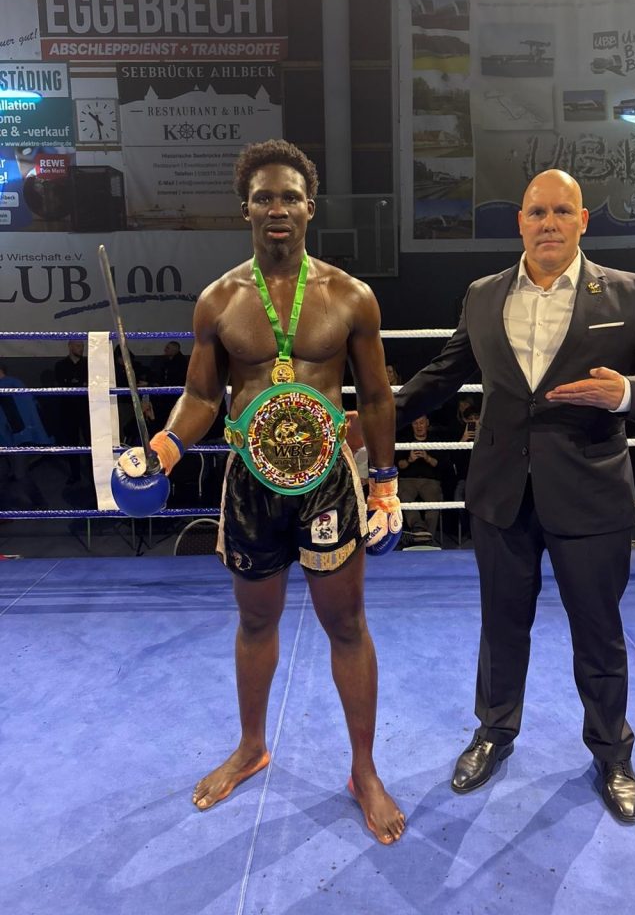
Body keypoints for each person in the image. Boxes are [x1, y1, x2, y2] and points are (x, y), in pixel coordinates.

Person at [111, 140, 405, 844]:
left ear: (310, 207)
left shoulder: (350, 295)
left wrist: (386, 486)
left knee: (346, 624)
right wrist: (163, 449)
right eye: (264, 197)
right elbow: (201, 397)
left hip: (328, 483)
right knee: (254, 622)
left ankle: (364, 770)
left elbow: (375, 397)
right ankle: (251, 747)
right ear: (245, 208)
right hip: (250, 486)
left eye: (290, 197)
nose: (278, 208)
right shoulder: (218, 300)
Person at [395, 168, 635, 824]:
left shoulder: (627, 292)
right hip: (501, 492)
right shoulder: (483, 294)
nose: (548, 223)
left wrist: (627, 392)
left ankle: (612, 753)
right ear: (520, 222)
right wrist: (374, 418)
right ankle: (493, 733)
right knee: (501, 626)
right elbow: (443, 375)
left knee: (599, 631)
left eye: (562, 211)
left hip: (590, 493)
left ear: (583, 220)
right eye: (537, 212)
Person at [396, 414, 448, 545]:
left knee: (434, 500)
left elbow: (441, 465)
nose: (419, 426)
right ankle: (419, 528)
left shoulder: (435, 440)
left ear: (427, 423)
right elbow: (399, 465)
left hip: (430, 480)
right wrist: (410, 459)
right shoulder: (404, 440)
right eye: (415, 423)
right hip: (408, 480)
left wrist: (427, 457)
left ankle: (426, 538)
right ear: (411, 425)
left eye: (421, 423)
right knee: (404, 496)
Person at [54, 339, 91, 484]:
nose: (81, 348)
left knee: (90, 442)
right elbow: (62, 384)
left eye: (82, 346)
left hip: (86, 409)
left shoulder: (87, 364)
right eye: (78, 346)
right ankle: (75, 474)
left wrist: (74, 383)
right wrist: (80, 384)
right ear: (70, 346)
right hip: (69, 410)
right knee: (72, 442)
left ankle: (93, 474)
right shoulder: (61, 365)